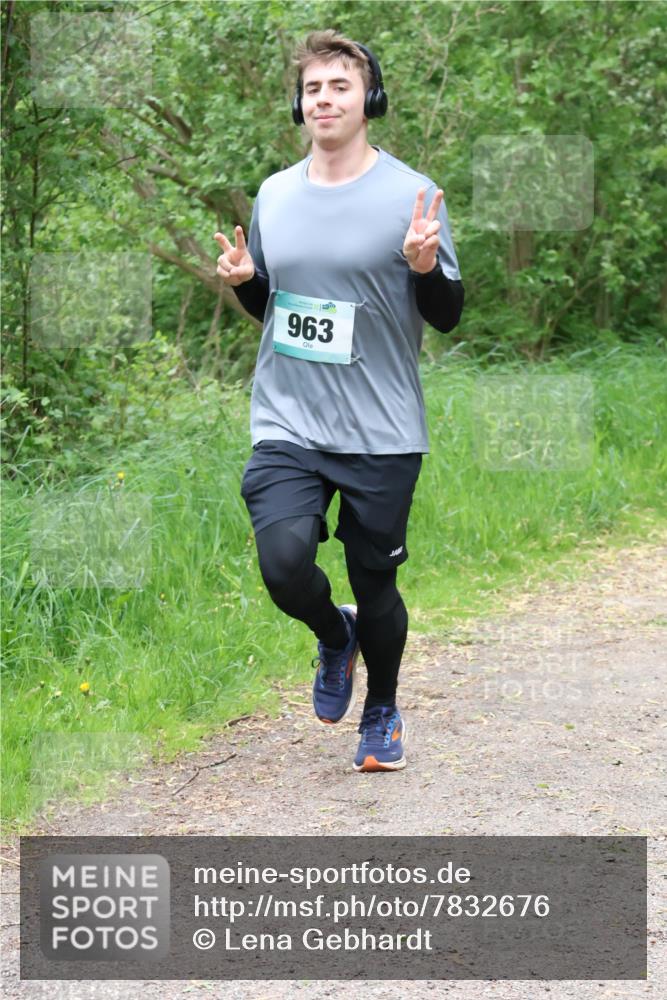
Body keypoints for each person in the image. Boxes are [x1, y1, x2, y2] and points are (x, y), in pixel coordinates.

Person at [213, 29, 463, 772]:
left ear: (368, 99)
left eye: (340, 87)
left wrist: (423, 267)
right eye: (313, 88)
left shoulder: (411, 195)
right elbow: (276, 307)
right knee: (283, 564)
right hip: (288, 419)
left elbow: (447, 314)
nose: (324, 99)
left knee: (375, 581)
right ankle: (333, 633)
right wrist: (247, 282)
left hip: (381, 427)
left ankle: (381, 709)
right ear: (300, 104)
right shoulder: (275, 193)